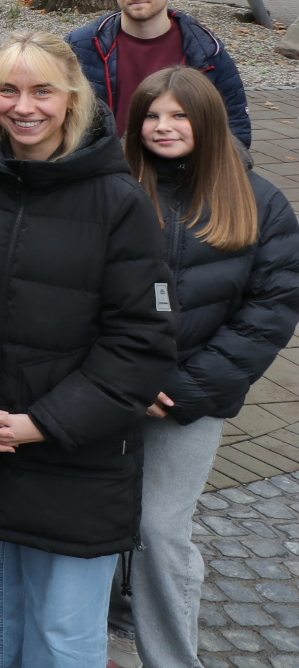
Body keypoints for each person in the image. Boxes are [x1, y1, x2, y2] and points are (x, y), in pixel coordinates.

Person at [0, 31, 175, 668]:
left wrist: (42, 424)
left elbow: (139, 343)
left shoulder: (120, 203)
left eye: (42, 91)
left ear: (72, 100)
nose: (23, 106)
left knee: (63, 638)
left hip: (73, 466)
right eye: (7, 90)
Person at [115, 68, 299, 668]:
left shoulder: (259, 201)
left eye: (179, 115)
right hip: (109, 387)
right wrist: (119, 379)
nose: (163, 127)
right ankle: (98, 637)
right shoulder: (115, 186)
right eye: (151, 115)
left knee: (160, 531)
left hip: (189, 399)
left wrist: (183, 389)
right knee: (96, 518)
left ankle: (171, 659)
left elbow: (269, 313)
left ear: (209, 121)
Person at [67, 0, 252, 145]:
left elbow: (235, 127)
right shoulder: (80, 47)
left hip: (181, 162)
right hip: (103, 161)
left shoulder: (207, 51)